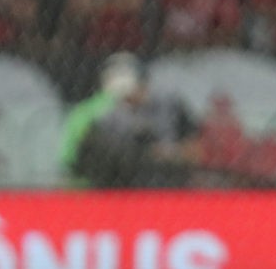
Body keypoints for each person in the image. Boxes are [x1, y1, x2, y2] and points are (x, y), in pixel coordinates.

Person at [59, 51, 201, 188]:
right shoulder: (103, 118)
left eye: (130, 90)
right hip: (121, 191)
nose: (128, 99)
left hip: (171, 189)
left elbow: (198, 149)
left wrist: (169, 153)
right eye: (122, 94)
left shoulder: (170, 105)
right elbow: (79, 165)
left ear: (143, 82)